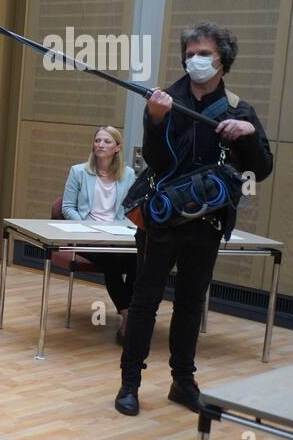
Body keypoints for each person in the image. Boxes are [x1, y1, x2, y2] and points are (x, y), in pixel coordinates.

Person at [115, 22, 274, 417]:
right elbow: (160, 161)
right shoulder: (166, 98)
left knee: (189, 306)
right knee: (144, 301)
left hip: (207, 224)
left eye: (203, 54)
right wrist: (154, 120)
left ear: (223, 60)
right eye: (189, 54)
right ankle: (129, 383)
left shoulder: (239, 108)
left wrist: (249, 133)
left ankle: (183, 382)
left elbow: (262, 168)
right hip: (163, 220)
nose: (195, 60)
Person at [62, 126, 137, 343]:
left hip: (117, 235)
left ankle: (128, 314)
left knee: (136, 259)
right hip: (86, 235)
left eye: (106, 141)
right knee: (111, 259)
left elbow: (131, 209)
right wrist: (87, 226)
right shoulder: (78, 171)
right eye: (97, 141)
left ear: (117, 147)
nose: (100, 145)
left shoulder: (129, 174)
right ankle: (127, 315)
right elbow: (67, 208)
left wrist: (121, 228)